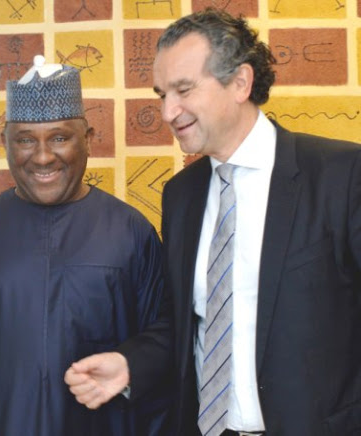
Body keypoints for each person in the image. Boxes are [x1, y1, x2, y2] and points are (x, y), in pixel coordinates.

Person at [64, 8, 361, 436]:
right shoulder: (181, 195)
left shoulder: (341, 176)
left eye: (183, 90)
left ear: (240, 82)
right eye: (161, 94)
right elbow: (185, 321)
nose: (168, 112)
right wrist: (130, 364)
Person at [0, 55, 171, 435]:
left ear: (88, 140)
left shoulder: (131, 232)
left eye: (59, 138)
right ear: (4, 143)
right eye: (25, 140)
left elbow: (163, 340)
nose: (42, 156)